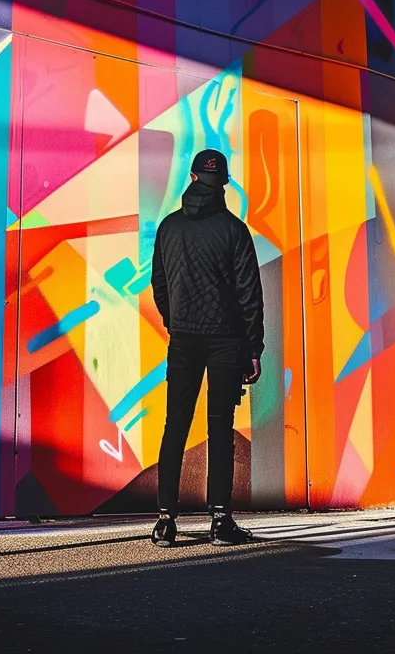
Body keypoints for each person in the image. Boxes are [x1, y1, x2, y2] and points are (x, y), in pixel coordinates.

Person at [148, 148, 264, 547]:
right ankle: (220, 521)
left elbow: (159, 285)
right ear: (223, 185)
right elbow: (250, 295)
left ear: (193, 178)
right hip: (226, 343)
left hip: (184, 340)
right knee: (220, 428)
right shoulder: (234, 231)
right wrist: (254, 348)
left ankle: (165, 521)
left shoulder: (168, 228)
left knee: (175, 426)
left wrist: (174, 321)